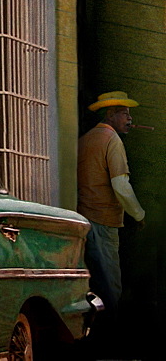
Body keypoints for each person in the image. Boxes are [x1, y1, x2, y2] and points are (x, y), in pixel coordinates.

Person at [77, 91, 146, 323]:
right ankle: (113, 335)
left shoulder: (85, 139)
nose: (130, 119)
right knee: (110, 285)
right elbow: (120, 185)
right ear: (111, 114)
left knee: (92, 281)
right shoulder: (112, 140)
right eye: (125, 114)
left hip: (84, 218)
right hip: (105, 221)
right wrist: (139, 214)